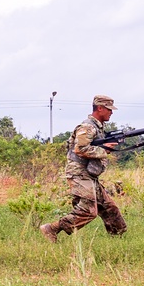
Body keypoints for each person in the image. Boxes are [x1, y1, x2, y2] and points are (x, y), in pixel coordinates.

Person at [40, 95, 127, 243]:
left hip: (89, 175)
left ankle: (117, 239)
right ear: (100, 108)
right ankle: (52, 228)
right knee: (88, 211)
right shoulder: (87, 127)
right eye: (109, 109)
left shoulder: (98, 127)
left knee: (109, 207)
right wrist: (104, 150)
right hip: (79, 174)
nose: (111, 112)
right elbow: (80, 149)